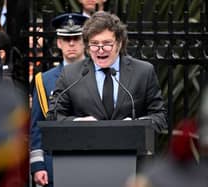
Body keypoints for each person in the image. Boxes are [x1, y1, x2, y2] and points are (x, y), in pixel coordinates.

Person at [47, 11, 167, 132]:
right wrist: (77, 122)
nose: (100, 50)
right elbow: (53, 115)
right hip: (85, 147)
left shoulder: (143, 71)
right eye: (94, 44)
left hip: (129, 148)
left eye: (107, 44)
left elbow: (159, 117)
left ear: (119, 43)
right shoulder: (70, 74)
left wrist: (136, 125)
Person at [30, 13, 88, 187]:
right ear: (58, 42)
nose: (71, 43)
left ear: (84, 41)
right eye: (65, 38)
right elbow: (37, 125)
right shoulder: (44, 80)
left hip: (91, 158)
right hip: (54, 161)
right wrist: (38, 165)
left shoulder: (98, 74)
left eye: (76, 38)